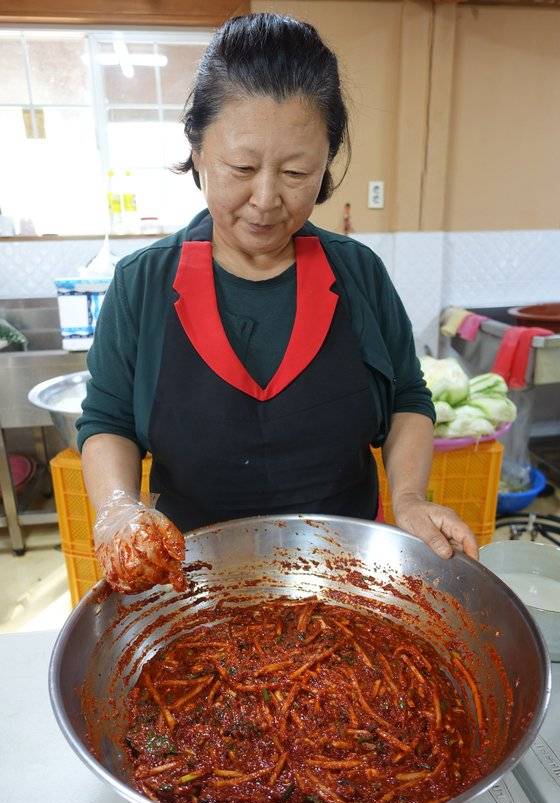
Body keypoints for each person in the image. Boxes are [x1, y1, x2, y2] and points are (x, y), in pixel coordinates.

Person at [77, 12, 478, 593]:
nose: (266, 199)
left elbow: (408, 401)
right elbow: (108, 421)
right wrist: (116, 507)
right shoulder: (142, 284)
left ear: (327, 164)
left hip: (346, 581)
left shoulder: (358, 274)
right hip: (188, 587)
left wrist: (411, 498)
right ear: (196, 149)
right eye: (241, 168)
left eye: (297, 172)